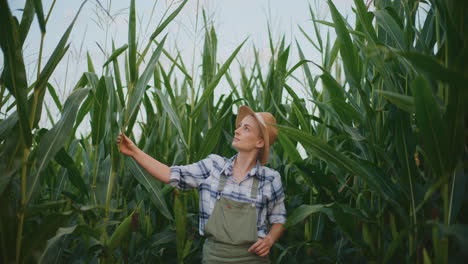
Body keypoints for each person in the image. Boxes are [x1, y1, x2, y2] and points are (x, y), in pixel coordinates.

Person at [116, 105, 286, 263]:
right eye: (240, 125)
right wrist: (135, 152)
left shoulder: (270, 178)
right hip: (215, 257)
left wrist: (269, 240)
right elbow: (170, 174)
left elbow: (278, 220)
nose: (237, 130)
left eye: (246, 128)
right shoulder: (213, 166)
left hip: (253, 259)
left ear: (260, 142)